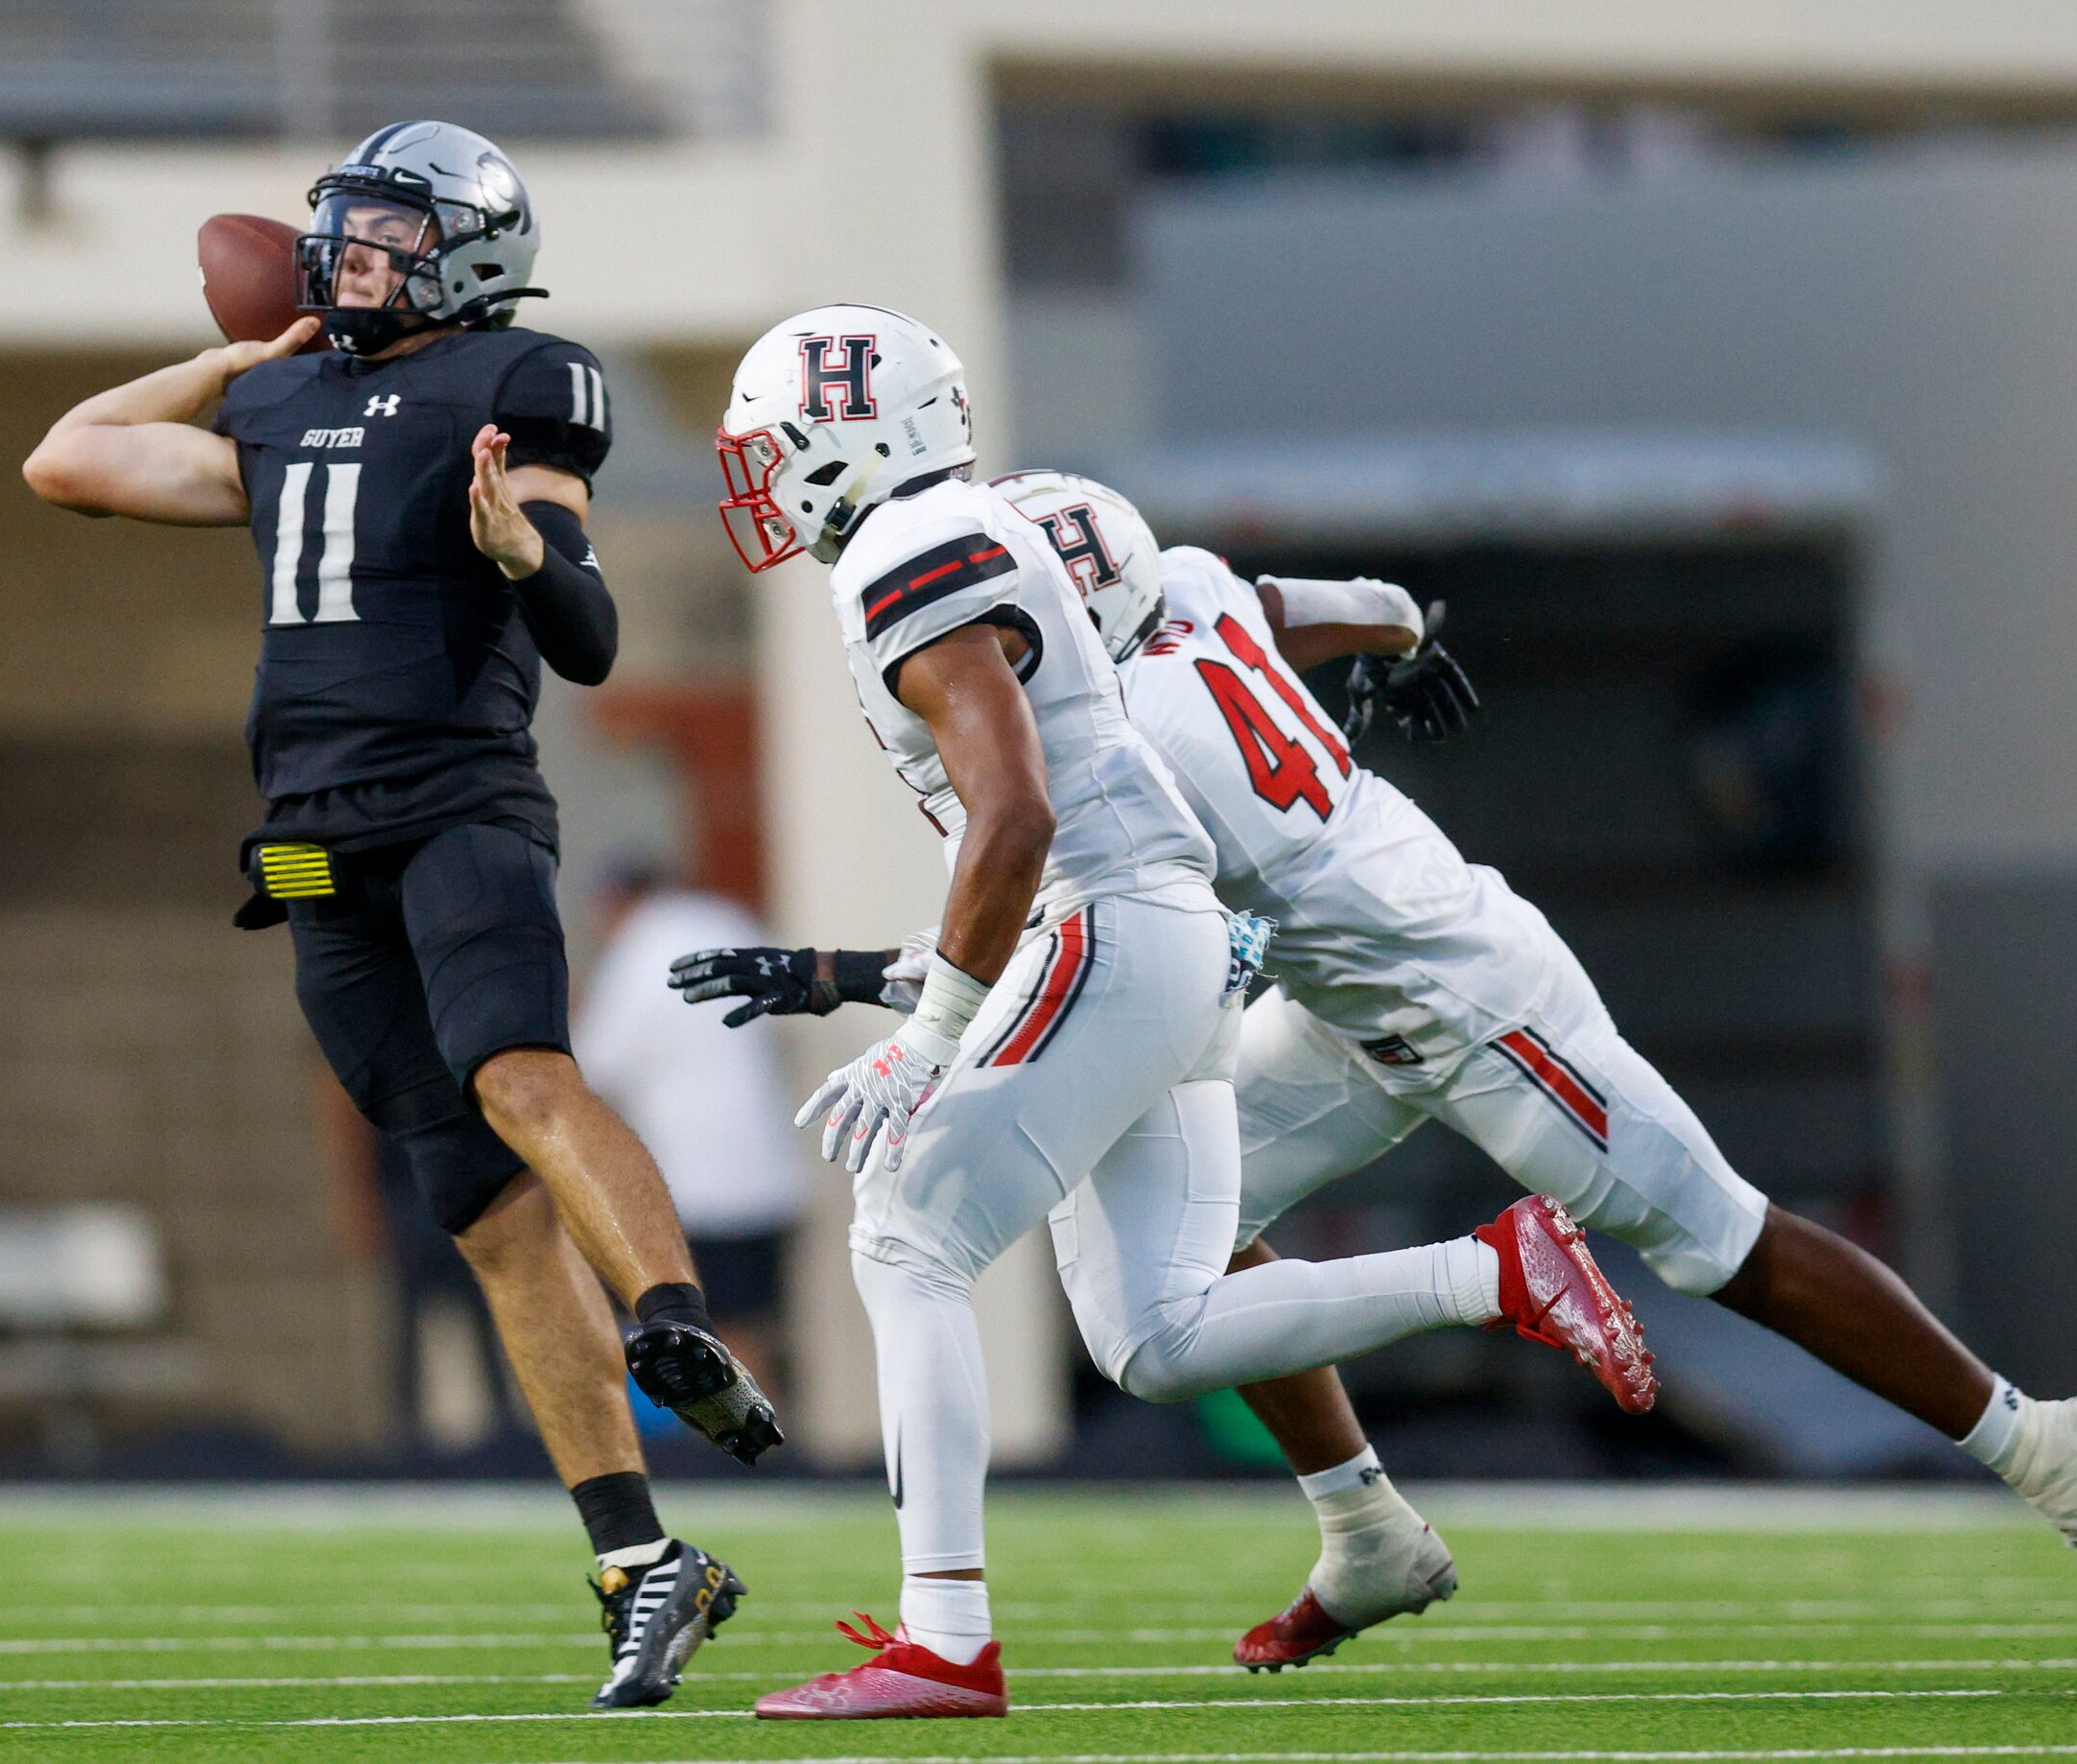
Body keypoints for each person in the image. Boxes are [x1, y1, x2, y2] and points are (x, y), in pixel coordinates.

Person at [718, 468, 2077, 1663]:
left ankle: (2040, 1440)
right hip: (1349, 996)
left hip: (1465, 996)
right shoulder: (1199, 589)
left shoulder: (1141, 739)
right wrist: (1409, 635)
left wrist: (852, 977)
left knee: (1722, 1243)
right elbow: (1328, 605)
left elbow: (1105, 932)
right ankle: (1367, 1527)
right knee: (1184, 1216)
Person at [701, 306, 1656, 1722]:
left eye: (782, 451)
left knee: (908, 1229)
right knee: (1153, 1330)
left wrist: (930, 1031)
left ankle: (944, 1637)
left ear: (857, 438)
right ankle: (1490, 1270)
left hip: (1112, 917)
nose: (769, 483)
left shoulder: (908, 549)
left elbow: (1018, 814)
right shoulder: (963, 524)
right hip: (1157, 933)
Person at [20, 119, 777, 1710]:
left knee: (519, 1073)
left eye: (381, 235)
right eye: (338, 232)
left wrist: (523, 550)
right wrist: (235, 358)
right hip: (305, 842)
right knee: (483, 1207)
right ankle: (646, 1563)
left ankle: (677, 1326)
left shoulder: (517, 381)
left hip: (454, 804)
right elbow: (67, 456)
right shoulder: (279, 396)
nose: (341, 258)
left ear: (470, 255)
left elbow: (584, 635)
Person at [577, 865, 810, 1397]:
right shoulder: (729, 922)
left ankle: (733, 1455)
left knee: (706, 1330)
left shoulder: (638, 952)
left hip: (694, 1183)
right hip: (765, 1173)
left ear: (615, 903)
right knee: (758, 1327)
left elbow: (597, 1064)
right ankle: (769, 1445)